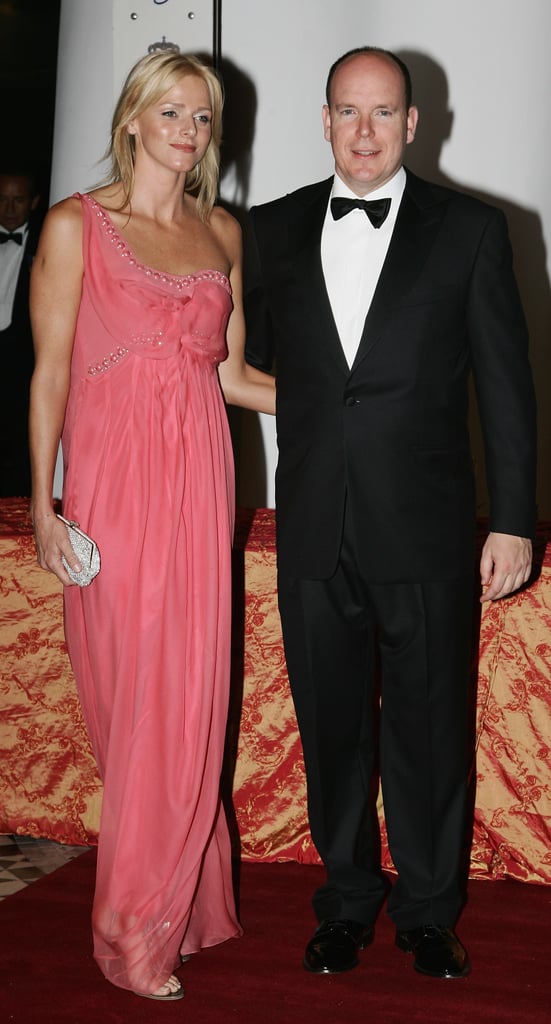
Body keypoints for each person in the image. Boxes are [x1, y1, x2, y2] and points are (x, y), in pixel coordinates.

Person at [244, 47, 536, 980]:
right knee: (331, 727)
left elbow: (506, 390)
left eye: (382, 113)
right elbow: (233, 365)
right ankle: (345, 903)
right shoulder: (270, 229)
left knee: (429, 728)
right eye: (346, 112)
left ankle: (425, 911)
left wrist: (514, 518)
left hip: (430, 527)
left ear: (412, 124)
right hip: (315, 528)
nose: (363, 131)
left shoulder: (473, 231)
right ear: (322, 119)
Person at [29, 50, 275, 1000]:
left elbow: (232, 375)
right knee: (140, 706)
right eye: (170, 110)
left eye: (203, 116)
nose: (187, 128)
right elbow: (49, 372)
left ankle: (179, 907)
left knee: (190, 695)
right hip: (116, 489)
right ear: (133, 118)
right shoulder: (76, 225)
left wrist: (351, 400)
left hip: (201, 482)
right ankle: (132, 933)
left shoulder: (223, 231)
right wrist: (46, 507)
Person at [0, 168, 41, 496]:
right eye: (2, 199)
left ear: (33, 202)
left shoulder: (46, 246)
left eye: (18, 200)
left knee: (17, 458)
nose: (9, 208)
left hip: (21, 367)